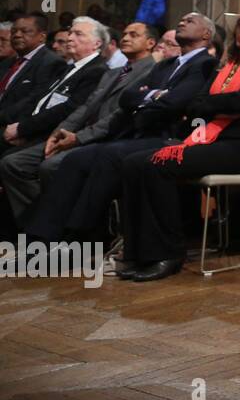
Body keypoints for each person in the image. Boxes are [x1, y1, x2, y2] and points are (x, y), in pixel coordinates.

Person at [116, 4, 240, 281]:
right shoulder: (226, 65)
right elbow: (195, 104)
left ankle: (169, 253)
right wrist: (215, 106)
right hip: (213, 141)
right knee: (134, 163)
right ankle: (140, 253)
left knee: (158, 165)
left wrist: (210, 105)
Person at [22, 13, 217, 244]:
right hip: (141, 133)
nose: (182, 22)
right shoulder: (165, 65)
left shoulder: (206, 64)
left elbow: (175, 103)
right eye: (181, 19)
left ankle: (82, 238)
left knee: (108, 156)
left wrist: (147, 98)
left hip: (170, 137)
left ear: (206, 34)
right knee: (75, 160)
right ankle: (41, 237)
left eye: (190, 21)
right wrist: (154, 95)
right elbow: (128, 98)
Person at [0, 22, 157, 231]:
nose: (125, 38)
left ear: (150, 43)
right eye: (125, 33)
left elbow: (121, 115)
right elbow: (86, 106)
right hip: (76, 132)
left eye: (134, 35)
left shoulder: (152, 71)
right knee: (14, 162)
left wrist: (79, 137)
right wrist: (59, 132)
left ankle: (54, 229)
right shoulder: (114, 71)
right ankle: (35, 225)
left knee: (50, 166)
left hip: (111, 137)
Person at [1, 17, 110, 156]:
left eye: (78, 34)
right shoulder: (70, 67)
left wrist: (22, 129)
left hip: (54, 133)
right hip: (33, 128)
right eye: (70, 33)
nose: (70, 38)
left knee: (9, 161)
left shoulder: (97, 71)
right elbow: (39, 99)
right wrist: (20, 127)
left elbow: (67, 110)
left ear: (97, 43)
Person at [0, 15, 66, 121]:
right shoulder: (8, 62)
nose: (17, 35)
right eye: (13, 31)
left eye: (25, 31)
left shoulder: (51, 63)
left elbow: (33, 100)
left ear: (42, 36)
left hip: (16, 125)